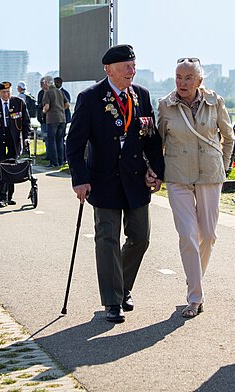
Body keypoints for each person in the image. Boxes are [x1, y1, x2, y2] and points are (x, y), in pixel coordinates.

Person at [66, 44, 164, 323]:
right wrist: (80, 179)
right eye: (125, 67)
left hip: (135, 181)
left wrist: (156, 171)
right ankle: (112, 301)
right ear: (108, 69)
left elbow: (152, 138)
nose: (131, 71)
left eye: (133, 66)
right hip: (103, 181)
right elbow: (74, 144)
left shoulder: (141, 95)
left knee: (140, 237)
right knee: (107, 239)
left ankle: (124, 287)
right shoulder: (91, 97)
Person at [158, 57, 234, 318]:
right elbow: (158, 143)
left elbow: (228, 137)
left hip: (210, 175)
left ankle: (193, 278)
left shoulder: (216, 102)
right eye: (179, 77)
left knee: (209, 235)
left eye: (189, 77)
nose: (182, 82)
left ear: (200, 81)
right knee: (188, 234)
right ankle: (195, 297)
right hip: (178, 177)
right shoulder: (165, 106)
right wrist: (154, 172)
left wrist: (223, 166)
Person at [0, 81, 31, 208]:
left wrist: (26, 138)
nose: (7, 94)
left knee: (12, 165)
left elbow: (26, 123)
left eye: (8, 91)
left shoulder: (19, 103)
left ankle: (9, 196)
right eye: (4, 92)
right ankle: (2, 197)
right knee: (1, 165)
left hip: (13, 138)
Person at [42, 75, 69, 168]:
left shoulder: (48, 93)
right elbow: (67, 104)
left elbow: (47, 107)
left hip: (52, 119)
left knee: (52, 140)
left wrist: (43, 111)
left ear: (46, 83)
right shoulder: (60, 92)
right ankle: (61, 161)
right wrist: (60, 109)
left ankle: (54, 162)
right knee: (60, 140)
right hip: (62, 118)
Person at [36, 77, 47, 144]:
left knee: (49, 137)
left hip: (49, 119)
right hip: (42, 118)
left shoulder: (50, 92)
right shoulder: (40, 93)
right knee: (45, 136)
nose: (41, 85)